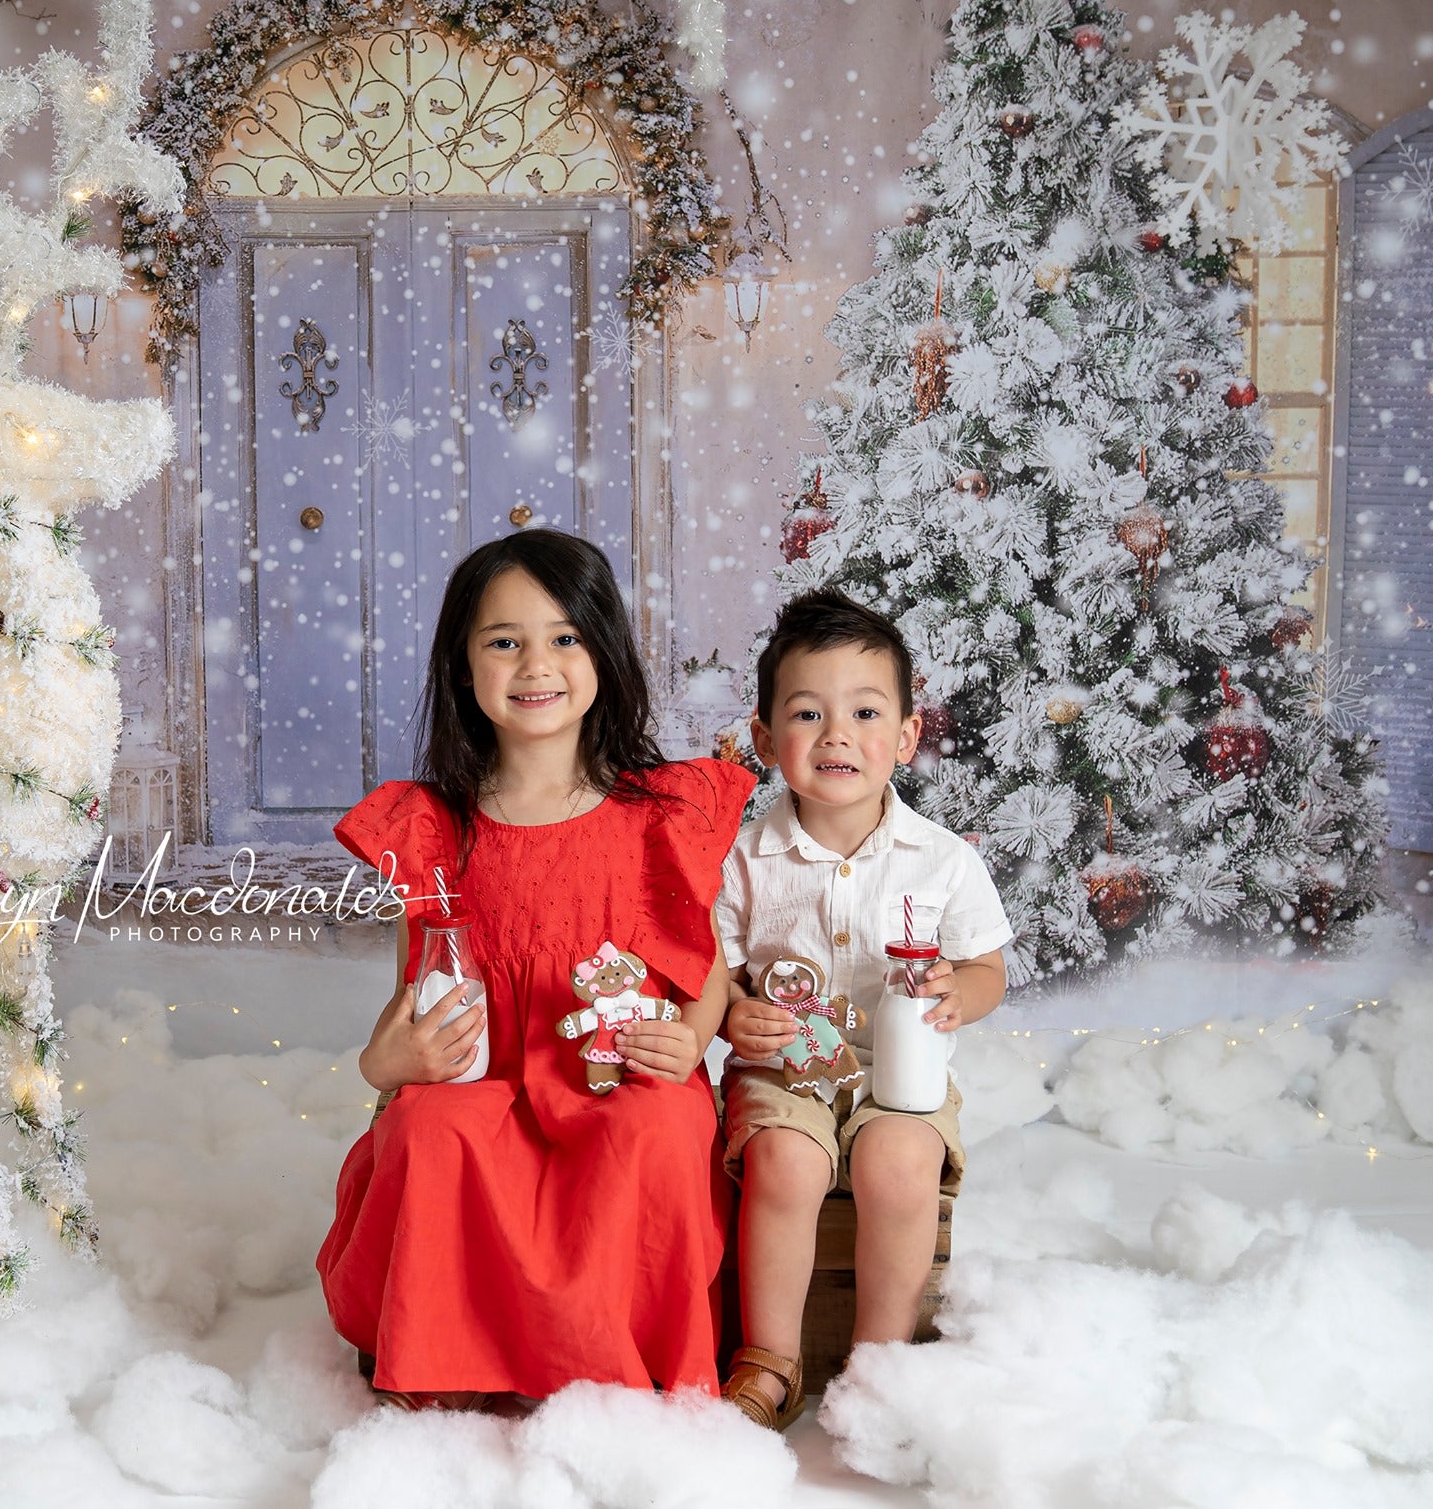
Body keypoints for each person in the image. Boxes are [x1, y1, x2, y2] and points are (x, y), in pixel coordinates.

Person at [319, 528, 756, 1410]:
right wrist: (385, 1067)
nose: (536, 664)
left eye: (564, 637)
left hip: (611, 1068)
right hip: (494, 1078)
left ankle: (612, 1362)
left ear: (604, 654)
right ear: (464, 665)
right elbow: (418, 995)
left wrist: (693, 1035)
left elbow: (698, 960)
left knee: (658, 1130)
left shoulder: (657, 813)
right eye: (504, 641)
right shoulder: (435, 829)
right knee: (432, 1132)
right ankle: (457, 1360)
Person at [716, 589, 1012, 1430]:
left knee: (898, 1164)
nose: (836, 734)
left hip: (901, 1075)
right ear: (768, 740)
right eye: (808, 713)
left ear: (908, 737)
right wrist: (737, 1015)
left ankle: (878, 1362)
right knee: (785, 1165)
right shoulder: (744, 859)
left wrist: (964, 991)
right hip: (785, 1073)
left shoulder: (943, 860)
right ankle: (770, 1357)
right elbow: (717, 976)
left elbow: (987, 967)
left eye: (865, 712)